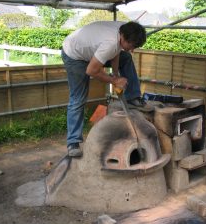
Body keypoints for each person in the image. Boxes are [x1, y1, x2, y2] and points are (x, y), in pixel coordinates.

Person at [61, 21, 152, 157]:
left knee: (126, 57)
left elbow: (115, 53)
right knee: (78, 98)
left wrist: (116, 75)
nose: (133, 49)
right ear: (123, 38)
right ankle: (73, 142)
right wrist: (115, 80)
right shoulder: (110, 42)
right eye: (132, 46)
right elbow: (91, 70)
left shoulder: (125, 29)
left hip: (93, 49)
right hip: (75, 55)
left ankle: (133, 97)